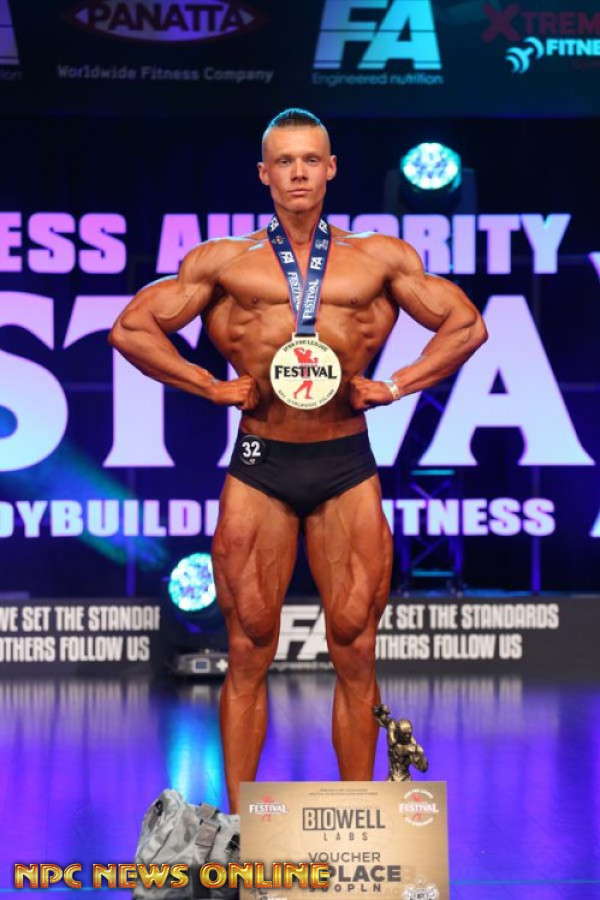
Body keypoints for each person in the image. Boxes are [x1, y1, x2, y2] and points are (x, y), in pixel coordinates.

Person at [109, 108, 487, 813]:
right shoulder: (224, 261)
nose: (299, 173)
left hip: (346, 461)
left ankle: (357, 822)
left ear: (331, 168)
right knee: (249, 646)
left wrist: (396, 384)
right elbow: (132, 328)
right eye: (284, 161)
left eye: (311, 159)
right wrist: (208, 385)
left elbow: (466, 324)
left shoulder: (379, 259)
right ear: (264, 173)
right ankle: (243, 826)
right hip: (261, 463)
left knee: (355, 645)